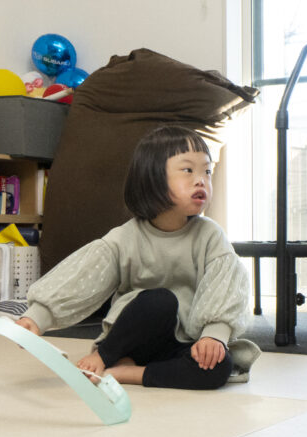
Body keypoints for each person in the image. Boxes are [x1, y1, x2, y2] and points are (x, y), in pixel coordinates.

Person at [14, 125, 258, 389]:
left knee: (220, 367)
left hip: (183, 343)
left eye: (207, 171)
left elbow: (225, 288)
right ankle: (107, 357)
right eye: (188, 170)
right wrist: (37, 317)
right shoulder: (125, 237)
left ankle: (129, 373)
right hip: (130, 341)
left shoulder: (211, 235)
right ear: (152, 177)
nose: (201, 180)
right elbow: (82, 278)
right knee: (161, 301)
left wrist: (214, 336)